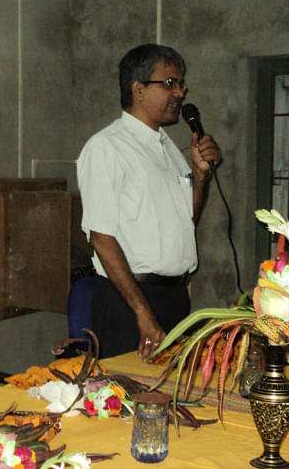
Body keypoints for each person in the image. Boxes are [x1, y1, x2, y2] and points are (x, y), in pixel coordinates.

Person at [76, 43, 222, 361]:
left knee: (170, 402)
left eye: (181, 84)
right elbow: (101, 237)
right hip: (129, 302)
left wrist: (200, 177)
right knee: (128, 402)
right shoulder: (107, 148)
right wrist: (143, 312)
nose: (180, 93)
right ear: (138, 89)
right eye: (169, 83)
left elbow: (187, 219)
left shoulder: (166, 146)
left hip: (174, 298)